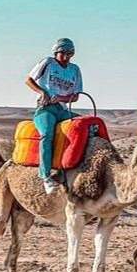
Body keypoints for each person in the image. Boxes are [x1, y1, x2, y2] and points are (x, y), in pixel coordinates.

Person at [25, 38, 83, 195]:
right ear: (56, 52)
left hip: (63, 109)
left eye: (69, 54)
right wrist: (42, 92)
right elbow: (28, 80)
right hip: (45, 108)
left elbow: (76, 95)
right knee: (47, 134)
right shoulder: (48, 63)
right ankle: (45, 176)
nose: (66, 57)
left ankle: (77, 169)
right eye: (63, 53)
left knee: (86, 127)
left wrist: (62, 98)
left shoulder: (75, 70)